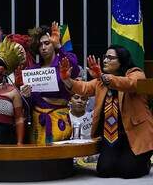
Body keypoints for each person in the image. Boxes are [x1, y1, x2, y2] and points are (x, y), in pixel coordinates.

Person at [59, 44, 153, 178]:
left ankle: (145, 162)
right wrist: (66, 79)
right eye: (105, 57)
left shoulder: (136, 73)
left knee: (128, 172)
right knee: (104, 171)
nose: (105, 60)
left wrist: (103, 76)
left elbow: (128, 84)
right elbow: (84, 88)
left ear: (121, 60)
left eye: (110, 58)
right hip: (112, 136)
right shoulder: (102, 80)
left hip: (134, 134)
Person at [23, 22, 80, 144]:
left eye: (47, 43)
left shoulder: (63, 65)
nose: (43, 47)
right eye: (40, 45)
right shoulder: (31, 71)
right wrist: (26, 96)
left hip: (59, 120)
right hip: (37, 123)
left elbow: (75, 69)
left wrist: (59, 46)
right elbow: (29, 104)